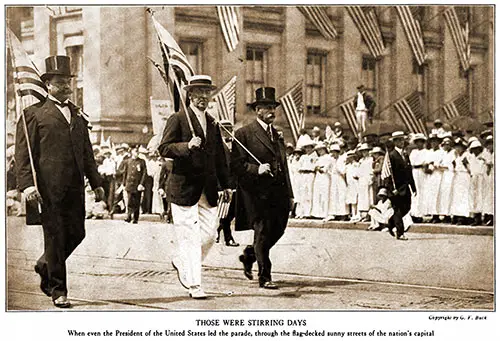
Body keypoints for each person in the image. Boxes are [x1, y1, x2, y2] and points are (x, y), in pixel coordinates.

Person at [15, 55, 104, 308]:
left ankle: (45, 265)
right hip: (46, 189)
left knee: (77, 232)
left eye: (68, 81)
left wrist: (96, 182)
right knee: (54, 237)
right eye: (60, 82)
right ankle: (58, 290)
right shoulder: (32, 115)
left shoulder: (77, 115)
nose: (66, 86)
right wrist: (28, 186)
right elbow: (24, 155)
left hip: (75, 188)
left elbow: (87, 152)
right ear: (48, 85)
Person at [158, 75, 230, 299]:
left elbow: (219, 157)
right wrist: (186, 146)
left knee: (210, 235)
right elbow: (165, 148)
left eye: (206, 92)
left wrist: (226, 185)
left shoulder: (212, 123)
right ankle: (194, 284)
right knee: (189, 237)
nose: (203, 97)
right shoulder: (178, 119)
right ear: (189, 94)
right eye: (198, 92)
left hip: (207, 190)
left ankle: (182, 261)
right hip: (183, 188)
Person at [231, 87, 294, 289]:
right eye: (267, 107)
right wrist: (256, 169)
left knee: (279, 229)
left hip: (279, 193)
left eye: (273, 107)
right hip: (257, 193)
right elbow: (235, 165)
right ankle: (265, 276)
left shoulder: (277, 135)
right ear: (257, 110)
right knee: (263, 231)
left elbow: (284, 166)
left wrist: (291, 195)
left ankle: (250, 255)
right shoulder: (244, 134)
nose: (271, 112)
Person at [385, 131, 416, 240]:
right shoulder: (391, 155)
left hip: (405, 186)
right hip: (396, 188)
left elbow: (409, 172)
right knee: (397, 209)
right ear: (395, 142)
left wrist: (413, 187)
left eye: (402, 140)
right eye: (399, 140)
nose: (401, 142)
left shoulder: (405, 154)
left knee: (407, 207)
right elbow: (389, 174)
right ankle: (400, 232)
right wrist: (392, 188)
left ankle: (391, 222)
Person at [216, 120, 239, 247]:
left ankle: (219, 229)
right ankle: (228, 238)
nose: (228, 132)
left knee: (233, 212)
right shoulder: (218, 146)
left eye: (229, 129)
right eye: (225, 129)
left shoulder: (235, 145)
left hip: (235, 185)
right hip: (223, 186)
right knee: (225, 212)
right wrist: (221, 186)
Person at [122, 146, 147, 223]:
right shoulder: (128, 161)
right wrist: (124, 183)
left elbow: (144, 173)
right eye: (135, 151)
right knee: (129, 201)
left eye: (137, 151)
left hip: (137, 185)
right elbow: (125, 173)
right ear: (132, 152)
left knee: (136, 201)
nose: (137, 153)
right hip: (129, 184)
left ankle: (135, 218)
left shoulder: (142, 161)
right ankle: (129, 216)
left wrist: (141, 184)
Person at [408, 134, 428, 223]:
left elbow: (426, 163)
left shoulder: (426, 152)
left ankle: (422, 213)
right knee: (414, 192)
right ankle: (414, 212)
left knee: (422, 191)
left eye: (421, 142)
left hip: (422, 172)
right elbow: (411, 163)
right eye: (417, 142)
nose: (419, 144)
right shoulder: (413, 152)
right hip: (414, 172)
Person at [310, 142, 332, 219]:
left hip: (325, 177)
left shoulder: (328, 157)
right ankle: (317, 213)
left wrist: (319, 168)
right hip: (318, 177)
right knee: (317, 194)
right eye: (318, 150)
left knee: (324, 194)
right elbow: (314, 167)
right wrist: (317, 167)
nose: (319, 151)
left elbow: (325, 169)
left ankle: (325, 213)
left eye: (321, 149)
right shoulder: (318, 158)